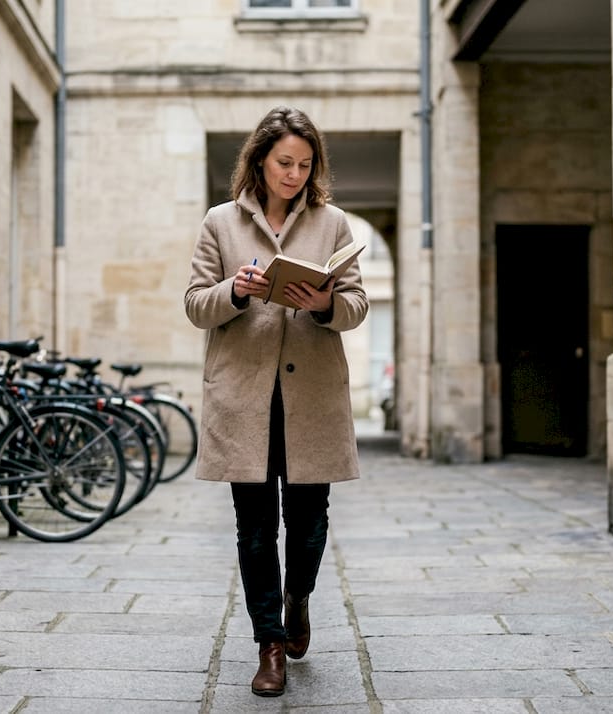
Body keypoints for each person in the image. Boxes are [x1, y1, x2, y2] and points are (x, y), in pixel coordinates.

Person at [184, 106, 368, 697]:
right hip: (245, 397)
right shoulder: (220, 222)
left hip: (311, 395)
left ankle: (298, 599)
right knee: (256, 527)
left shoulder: (332, 222)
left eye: (304, 164)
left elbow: (357, 304)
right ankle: (269, 645)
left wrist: (322, 303)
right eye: (284, 162)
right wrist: (234, 291)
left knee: (309, 521)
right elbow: (193, 304)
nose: (293, 173)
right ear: (260, 160)